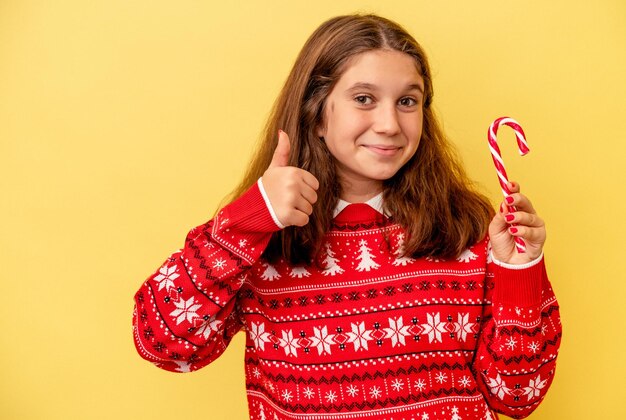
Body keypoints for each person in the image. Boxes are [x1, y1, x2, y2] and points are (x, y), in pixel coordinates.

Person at [132, 14, 561, 419]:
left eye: (407, 101)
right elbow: (165, 345)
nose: (390, 123)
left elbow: (517, 394)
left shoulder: (465, 227)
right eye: (363, 99)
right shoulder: (262, 239)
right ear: (316, 113)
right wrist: (249, 220)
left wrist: (519, 271)